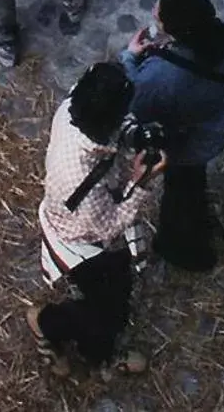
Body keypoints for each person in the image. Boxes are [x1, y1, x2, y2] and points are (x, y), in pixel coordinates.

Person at [29, 62, 161, 376]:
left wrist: (130, 56)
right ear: (108, 123)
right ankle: (58, 330)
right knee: (108, 311)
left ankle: (93, 344)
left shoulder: (75, 103)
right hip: (82, 239)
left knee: (114, 295)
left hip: (76, 215)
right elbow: (109, 225)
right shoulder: (79, 180)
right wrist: (141, 182)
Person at [121, 0, 224, 270]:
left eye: (158, 17)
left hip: (196, 142)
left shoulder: (163, 75)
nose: (153, 17)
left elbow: (136, 103)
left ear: (176, 31)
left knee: (184, 194)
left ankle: (183, 251)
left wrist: (130, 57)